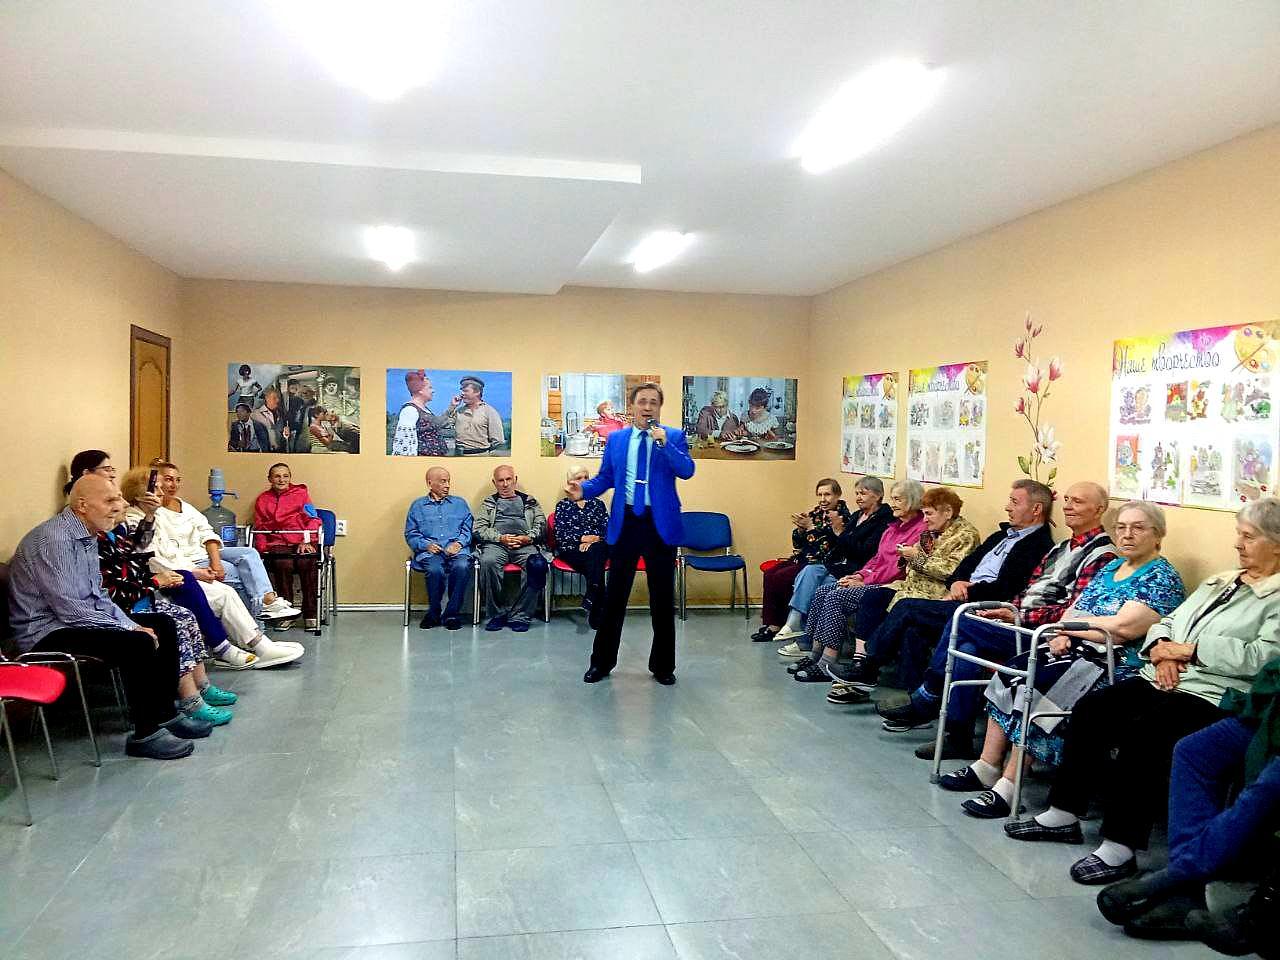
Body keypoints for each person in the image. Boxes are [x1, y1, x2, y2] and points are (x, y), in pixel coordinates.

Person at [1005, 497, 1280, 886]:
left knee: (1148, 733)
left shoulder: (1275, 598)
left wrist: (1190, 651)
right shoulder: (1223, 581)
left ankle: (1120, 845)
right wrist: (1163, 648)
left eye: (1248, 537)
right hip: (1163, 674)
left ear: (1277, 544)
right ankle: (1064, 812)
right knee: (1094, 709)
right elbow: (1167, 621)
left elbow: (1263, 658)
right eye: (1239, 534)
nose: (1238, 544)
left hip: (1215, 691)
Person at [945, 501, 1184, 818]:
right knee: (1012, 672)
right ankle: (987, 766)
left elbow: (1123, 628)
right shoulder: (1112, 567)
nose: (1127, 534)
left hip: (1113, 664)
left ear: (1158, 534)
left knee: (1037, 689)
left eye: (1138, 528)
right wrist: (1063, 630)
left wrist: (1071, 629)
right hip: (1075, 648)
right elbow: (1074, 608)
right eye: (1121, 527)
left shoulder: (1160, 577)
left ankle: (1010, 786)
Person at [869, 481, 1116, 757]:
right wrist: (1009, 609)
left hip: (1043, 635)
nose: (1068, 507)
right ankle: (957, 736)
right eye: (1067, 499)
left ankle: (925, 693)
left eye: (1078, 502)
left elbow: (1074, 609)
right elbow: (1027, 590)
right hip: (1015, 618)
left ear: (1099, 509)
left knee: (961, 621)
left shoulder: (1100, 554)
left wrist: (1016, 613)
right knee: (966, 647)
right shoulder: (1061, 547)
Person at [7, 474, 204, 759]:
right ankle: (145, 734)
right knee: (137, 643)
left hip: (69, 621)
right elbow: (72, 609)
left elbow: (97, 596)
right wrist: (130, 630)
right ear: (82, 505)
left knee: (163, 624)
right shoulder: (55, 540)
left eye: (118, 499)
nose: (119, 505)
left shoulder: (86, 534)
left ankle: (165, 715)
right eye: (110, 500)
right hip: (44, 632)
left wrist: (130, 624)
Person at [1096, 657, 1280, 943]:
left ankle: (1182, 873)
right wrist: (1165, 647)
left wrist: (1193, 650)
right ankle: (1186, 889)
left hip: (1219, 682)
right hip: (1268, 708)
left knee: (1270, 783)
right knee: (1194, 751)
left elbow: (1258, 653)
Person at [834, 480, 1054, 697]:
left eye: (1014, 502)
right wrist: (957, 582)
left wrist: (966, 590)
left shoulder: (1037, 545)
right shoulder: (1001, 535)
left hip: (981, 607)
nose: (1007, 507)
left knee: (906, 608)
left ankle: (868, 667)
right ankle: (915, 696)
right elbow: (964, 566)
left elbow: (1006, 587)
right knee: (912, 629)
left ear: (1036, 509)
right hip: (956, 595)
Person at [569, 382, 695, 685]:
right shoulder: (617, 439)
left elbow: (687, 470)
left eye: (654, 402)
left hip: (660, 525)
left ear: (660, 407)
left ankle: (663, 666)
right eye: (642, 401)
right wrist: (583, 490)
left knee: (662, 599)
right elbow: (605, 478)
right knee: (615, 597)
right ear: (632, 406)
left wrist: (665, 444)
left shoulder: (673, 436)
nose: (648, 407)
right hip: (625, 522)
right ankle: (601, 663)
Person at [120, 467, 302, 668]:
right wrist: (195, 572)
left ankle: (259, 639)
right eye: (157, 487)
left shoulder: (162, 514)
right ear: (140, 493)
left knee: (233, 579)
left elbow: (200, 534)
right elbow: (148, 554)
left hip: (185, 568)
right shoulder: (135, 518)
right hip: (168, 577)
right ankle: (244, 645)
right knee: (226, 591)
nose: (163, 491)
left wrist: (197, 568)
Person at [800, 486, 981, 685]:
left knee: (863, 600)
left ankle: (864, 666)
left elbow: (951, 571)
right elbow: (887, 560)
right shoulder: (924, 532)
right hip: (906, 587)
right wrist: (863, 574)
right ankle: (846, 660)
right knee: (868, 597)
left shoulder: (965, 535)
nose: (925, 519)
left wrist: (914, 558)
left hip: (934, 593)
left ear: (947, 512)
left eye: (929, 514)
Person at [97, 496, 238, 726]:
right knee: (174, 623)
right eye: (116, 499)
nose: (124, 504)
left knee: (186, 615)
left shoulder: (117, 534)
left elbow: (139, 548)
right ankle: (191, 701)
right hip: (121, 609)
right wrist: (155, 582)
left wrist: (149, 515)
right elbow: (112, 591)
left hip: (139, 598)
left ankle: (202, 686)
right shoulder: (97, 542)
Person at [782, 479, 926, 677]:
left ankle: (827, 662)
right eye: (892, 499)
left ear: (912, 501)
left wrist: (864, 580)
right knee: (823, 591)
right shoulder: (893, 527)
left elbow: (896, 569)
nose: (892, 504)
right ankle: (815, 653)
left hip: (891, 585)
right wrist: (859, 575)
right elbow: (877, 559)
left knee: (836, 596)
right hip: (870, 577)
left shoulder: (920, 530)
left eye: (897, 499)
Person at [753, 478, 858, 643]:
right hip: (803, 557)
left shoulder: (843, 517)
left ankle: (779, 625)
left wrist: (810, 528)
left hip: (822, 562)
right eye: (820, 495)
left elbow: (826, 548)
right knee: (770, 573)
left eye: (827, 494)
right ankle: (773, 622)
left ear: (837, 495)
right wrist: (800, 530)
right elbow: (798, 544)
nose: (823, 499)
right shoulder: (815, 513)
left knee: (781, 577)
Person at [474, 465, 548, 632]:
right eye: (501, 480)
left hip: (524, 544)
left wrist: (527, 538)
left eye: (508, 479)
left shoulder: (529, 501)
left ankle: (520, 615)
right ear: (494, 483)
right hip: (497, 544)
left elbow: (541, 524)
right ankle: (497, 614)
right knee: (487, 562)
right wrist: (501, 538)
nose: (505, 484)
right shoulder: (489, 502)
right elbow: (479, 529)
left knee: (537, 565)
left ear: (515, 480)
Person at [252, 463, 323, 631]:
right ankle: (286, 613)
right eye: (277, 476)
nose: (281, 479)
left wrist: (306, 540)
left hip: (302, 540)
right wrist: (261, 549)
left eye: (285, 476)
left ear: (290, 478)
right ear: (270, 479)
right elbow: (259, 526)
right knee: (282, 563)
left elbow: (313, 519)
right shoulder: (263, 499)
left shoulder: (301, 494)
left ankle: (311, 613)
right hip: (277, 541)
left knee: (308, 562)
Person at [405, 466, 473, 630]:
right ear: (430, 483)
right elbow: (411, 534)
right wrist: (426, 545)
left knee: (462, 567)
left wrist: (458, 543)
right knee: (435, 570)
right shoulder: (418, 506)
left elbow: (468, 529)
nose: (447, 485)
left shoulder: (460, 504)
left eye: (448, 481)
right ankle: (434, 613)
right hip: (430, 553)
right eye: (443, 481)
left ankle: (451, 614)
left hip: (457, 551)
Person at [553, 465, 610, 629]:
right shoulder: (563, 506)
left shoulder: (597, 504)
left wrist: (594, 540)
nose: (584, 481)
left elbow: (607, 529)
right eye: (579, 478)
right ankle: (596, 604)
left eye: (586, 477)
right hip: (572, 551)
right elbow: (561, 535)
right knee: (596, 563)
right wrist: (582, 539)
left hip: (597, 548)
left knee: (596, 552)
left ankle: (592, 593)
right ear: (570, 482)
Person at [391, 370, 451, 457]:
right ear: (420, 390)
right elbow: (405, 444)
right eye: (430, 387)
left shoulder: (424, 409)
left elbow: (437, 424)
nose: (433, 391)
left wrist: (452, 406)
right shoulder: (410, 410)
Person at [454, 376, 506, 454]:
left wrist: (481, 451)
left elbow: (498, 440)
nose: (462, 394)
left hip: (480, 456)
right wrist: (452, 406)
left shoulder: (489, 411)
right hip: (458, 456)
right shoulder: (458, 411)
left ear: (477, 392)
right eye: (462, 391)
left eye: (465, 391)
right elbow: (441, 425)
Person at [250, 387, 290, 453]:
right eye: (275, 398)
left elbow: (281, 435)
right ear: (267, 398)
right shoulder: (256, 415)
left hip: (279, 452)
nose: (278, 400)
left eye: (279, 398)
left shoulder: (281, 415)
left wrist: (285, 435)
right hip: (263, 453)